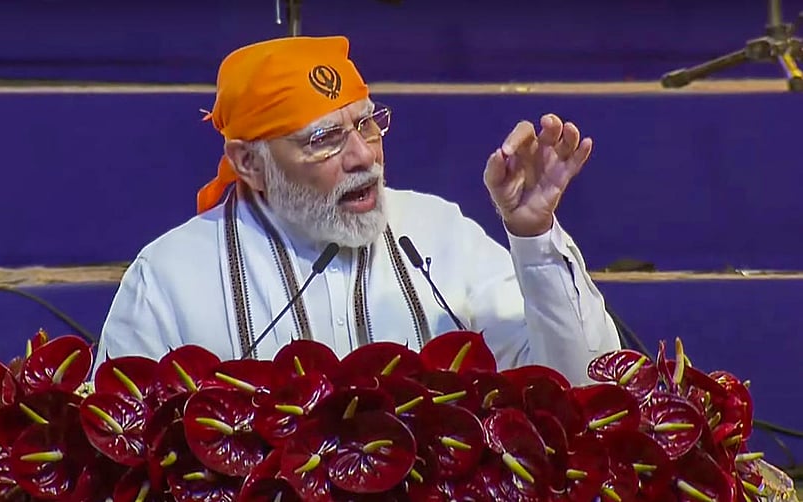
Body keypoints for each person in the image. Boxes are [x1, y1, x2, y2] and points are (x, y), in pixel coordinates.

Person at [93, 35, 621, 385]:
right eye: (324, 138)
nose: (364, 155)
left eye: (367, 124)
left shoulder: (438, 236)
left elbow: (581, 384)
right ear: (250, 163)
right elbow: (117, 446)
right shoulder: (170, 279)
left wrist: (533, 237)